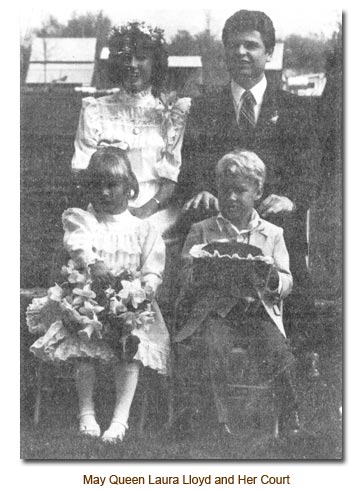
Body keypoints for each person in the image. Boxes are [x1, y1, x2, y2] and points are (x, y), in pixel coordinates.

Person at [177, 9, 321, 373]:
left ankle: (294, 351)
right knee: (198, 235)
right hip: (221, 214)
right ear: (224, 53)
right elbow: (191, 161)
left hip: (271, 217)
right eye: (233, 46)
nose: (241, 52)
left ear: (269, 53)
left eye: (251, 46)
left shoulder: (295, 109)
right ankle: (199, 341)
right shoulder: (206, 106)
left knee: (285, 237)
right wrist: (200, 189)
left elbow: (310, 168)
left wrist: (292, 197)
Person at [29, 146, 169, 442]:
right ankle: (86, 411)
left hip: (129, 306)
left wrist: (145, 290)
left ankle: (120, 419)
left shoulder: (144, 229)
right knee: (84, 347)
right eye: (97, 186)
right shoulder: (84, 220)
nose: (104, 193)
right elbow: (78, 243)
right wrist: (92, 263)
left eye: (112, 185)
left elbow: (153, 268)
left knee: (129, 348)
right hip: (88, 302)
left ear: (129, 187)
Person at [175, 149, 301, 435]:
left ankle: (290, 415)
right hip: (216, 312)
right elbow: (184, 275)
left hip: (257, 313)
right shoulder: (202, 230)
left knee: (278, 351)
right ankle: (218, 422)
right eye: (225, 190)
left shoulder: (272, 233)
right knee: (211, 346)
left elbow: (287, 279)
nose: (231, 198)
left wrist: (271, 281)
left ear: (257, 191)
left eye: (240, 191)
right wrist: (200, 274)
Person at [72, 21, 191, 234]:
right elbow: (83, 172)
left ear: (155, 63)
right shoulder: (95, 109)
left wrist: (146, 209)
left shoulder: (171, 113)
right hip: (106, 208)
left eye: (141, 58)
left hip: (154, 211)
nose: (132, 65)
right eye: (126, 58)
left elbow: (170, 180)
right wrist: (114, 212)